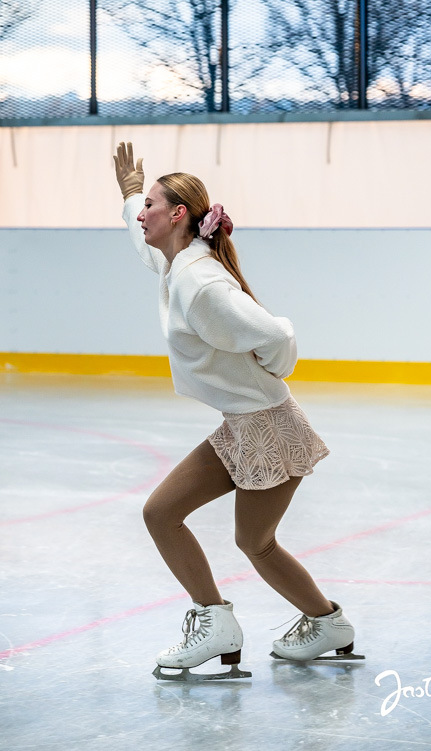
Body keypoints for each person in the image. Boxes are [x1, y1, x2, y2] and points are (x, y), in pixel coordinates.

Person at [113, 141, 359, 680]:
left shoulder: (201, 284)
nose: (142, 214)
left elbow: (278, 335)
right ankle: (220, 621)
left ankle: (326, 621)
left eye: (151, 204)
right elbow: (143, 241)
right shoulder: (177, 260)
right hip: (242, 426)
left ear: (179, 215)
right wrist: (131, 191)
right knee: (162, 513)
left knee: (255, 541)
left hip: (267, 427)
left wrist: (271, 374)